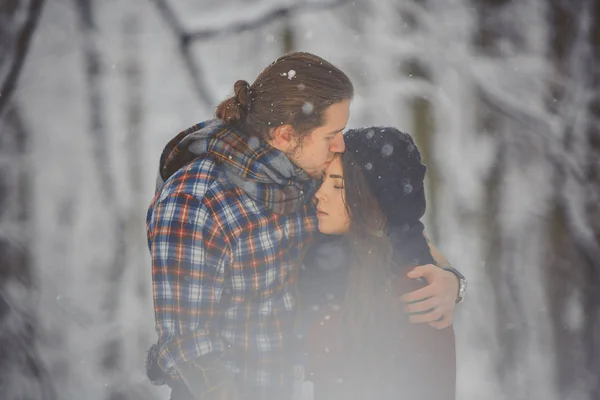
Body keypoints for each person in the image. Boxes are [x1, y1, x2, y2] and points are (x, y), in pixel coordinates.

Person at [144, 52, 465, 400]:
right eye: (332, 134)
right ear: (284, 135)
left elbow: (389, 227)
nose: (340, 146)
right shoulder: (195, 200)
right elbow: (189, 345)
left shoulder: (307, 176)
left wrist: (451, 281)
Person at [297, 126, 457, 400]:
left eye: (338, 185)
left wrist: (454, 281)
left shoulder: (413, 295)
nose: (319, 193)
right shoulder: (328, 254)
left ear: (371, 201)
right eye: (324, 180)